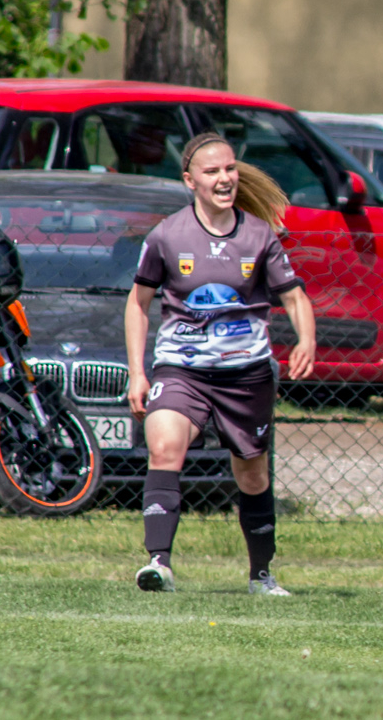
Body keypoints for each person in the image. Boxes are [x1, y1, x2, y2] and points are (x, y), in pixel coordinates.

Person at [125, 132, 317, 594]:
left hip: (245, 374)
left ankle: (262, 576)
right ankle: (159, 564)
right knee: (165, 447)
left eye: (229, 169)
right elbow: (137, 303)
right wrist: (137, 371)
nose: (225, 178)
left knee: (251, 474)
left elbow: (293, 296)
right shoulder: (167, 236)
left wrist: (306, 337)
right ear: (190, 180)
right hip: (181, 370)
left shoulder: (258, 234)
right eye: (212, 172)